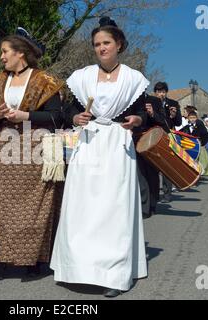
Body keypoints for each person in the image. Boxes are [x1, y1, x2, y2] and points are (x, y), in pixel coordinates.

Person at [50, 17, 148, 298]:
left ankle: (113, 274)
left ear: (118, 44)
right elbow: (68, 109)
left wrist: (136, 119)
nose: (101, 48)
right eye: (96, 44)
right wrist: (75, 116)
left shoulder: (133, 79)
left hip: (117, 143)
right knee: (83, 205)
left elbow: (141, 110)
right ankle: (77, 268)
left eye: (106, 43)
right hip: (89, 142)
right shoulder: (82, 77)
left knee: (113, 207)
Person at [0, 27, 64, 281]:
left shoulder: (44, 81)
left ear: (21, 53)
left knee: (35, 207)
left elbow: (57, 117)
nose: (2, 57)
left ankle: (34, 259)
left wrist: (24, 115)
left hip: (33, 149)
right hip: (1, 149)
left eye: (5, 52)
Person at [137, 95, 169, 217]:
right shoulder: (128, 99)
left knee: (152, 175)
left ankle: (152, 204)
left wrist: (152, 113)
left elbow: (163, 121)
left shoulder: (154, 101)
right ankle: (144, 207)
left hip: (152, 142)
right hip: (135, 140)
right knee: (140, 175)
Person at [154, 82, 182, 202]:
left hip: (168, 136)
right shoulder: (151, 103)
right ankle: (154, 194)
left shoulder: (173, 104)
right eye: (159, 91)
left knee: (166, 165)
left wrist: (174, 115)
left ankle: (167, 194)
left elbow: (178, 122)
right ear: (155, 92)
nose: (161, 94)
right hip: (154, 136)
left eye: (163, 91)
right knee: (154, 165)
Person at [180, 111, 208, 176]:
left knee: (201, 160)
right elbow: (180, 133)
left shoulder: (200, 126)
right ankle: (193, 174)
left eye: (194, 117)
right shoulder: (187, 127)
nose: (192, 119)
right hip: (189, 147)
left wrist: (202, 143)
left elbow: (206, 135)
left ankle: (199, 173)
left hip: (199, 146)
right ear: (188, 118)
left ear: (196, 118)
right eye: (191, 118)